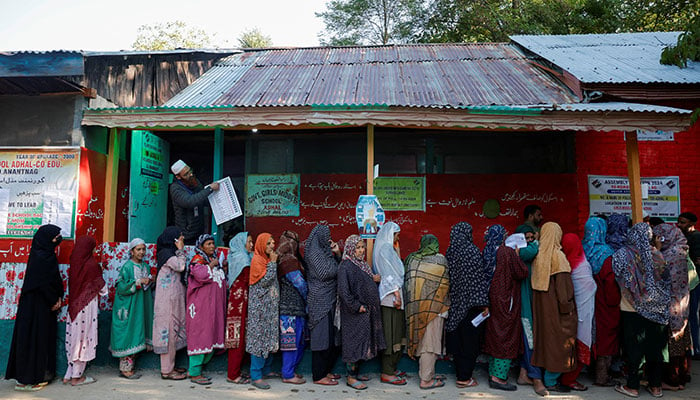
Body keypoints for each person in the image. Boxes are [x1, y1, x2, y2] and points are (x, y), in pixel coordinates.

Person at [612, 223, 670, 398]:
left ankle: (632, 386)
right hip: (658, 308)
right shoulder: (657, 255)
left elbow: (617, 276)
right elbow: (666, 280)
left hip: (632, 308)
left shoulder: (622, 255)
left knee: (634, 348)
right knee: (656, 348)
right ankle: (656, 386)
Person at [6, 224, 63, 391]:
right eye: (55, 237)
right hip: (41, 306)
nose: (57, 240)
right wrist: (54, 300)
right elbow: (45, 283)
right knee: (38, 340)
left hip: (31, 306)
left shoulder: (38, 255)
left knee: (28, 339)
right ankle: (34, 378)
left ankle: (24, 378)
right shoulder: (45, 257)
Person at [530, 222, 577, 393]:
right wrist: (569, 310)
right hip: (558, 311)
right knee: (559, 343)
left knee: (546, 342)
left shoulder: (538, 255)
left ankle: (546, 378)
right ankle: (551, 381)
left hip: (542, 310)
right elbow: (564, 292)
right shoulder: (558, 256)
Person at [337, 235, 385, 391]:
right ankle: (351, 377)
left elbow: (365, 281)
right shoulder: (345, 266)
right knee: (353, 344)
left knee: (363, 342)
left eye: (362, 247)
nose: (361, 250)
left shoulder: (362, 264)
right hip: (354, 313)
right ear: (350, 249)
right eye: (357, 247)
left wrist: (373, 279)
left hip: (365, 312)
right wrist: (357, 307)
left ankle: (356, 373)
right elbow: (344, 292)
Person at [483, 225, 528, 392]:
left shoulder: (487, 250)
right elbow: (522, 272)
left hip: (490, 299)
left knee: (496, 335)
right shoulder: (506, 252)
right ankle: (499, 378)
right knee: (506, 336)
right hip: (506, 299)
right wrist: (517, 256)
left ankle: (493, 373)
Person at [445, 222, 489, 389]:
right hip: (472, 305)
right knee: (470, 342)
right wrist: (484, 304)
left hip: (455, 303)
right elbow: (479, 279)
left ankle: (460, 374)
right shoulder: (472, 251)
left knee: (458, 340)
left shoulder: (450, 251)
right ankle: (465, 378)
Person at [404, 234, 449, 390]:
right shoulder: (441, 260)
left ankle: (428, 373)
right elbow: (445, 285)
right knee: (430, 344)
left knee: (423, 341)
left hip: (416, 309)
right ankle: (426, 380)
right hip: (435, 309)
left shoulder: (412, 259)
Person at [582, 216, 619, 387]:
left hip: (585, 301)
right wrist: (616, 302)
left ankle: (588, 368)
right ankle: (602, 375)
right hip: (604, 302)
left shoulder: (581, 250)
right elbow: (610, 282)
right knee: (606, 336)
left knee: (589, 333)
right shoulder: (606, 254)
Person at [63, 235, 106, 386]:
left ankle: (69, 373)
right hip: (87, 308)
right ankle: (77, 377)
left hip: (74, 307)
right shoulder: (92, 265)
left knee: (74, 339)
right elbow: (103, 290)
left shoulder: (75, 262)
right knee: (83, 339)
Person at [653, 223, 691, 390]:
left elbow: (659, 274)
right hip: (681, 305)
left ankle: (672, 379)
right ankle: (681, 376)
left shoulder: (669, 254)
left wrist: (656, 250)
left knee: (671, 344)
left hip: (671, 305)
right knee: (680, 342)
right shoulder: (681, 250)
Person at [186, 234, 227, 385]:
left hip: (213, 308)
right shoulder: (198, 261)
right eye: (208, 244)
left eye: (212, 243)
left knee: (211, 335)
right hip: (200, 307)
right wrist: (210, 266)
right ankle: (195, 372)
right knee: (200, 336)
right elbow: (201, 275)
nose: (211, 246)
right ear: (201, 246)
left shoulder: (214, 261)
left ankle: (198, 370)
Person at [110, 238, 153, 379]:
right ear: (132, 251)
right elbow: (121, 286)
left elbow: (146, 286)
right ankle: (125, 368)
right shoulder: (127, 267)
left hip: (140, 306)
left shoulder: (145, 266)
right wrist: (138, 282)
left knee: (137, 332)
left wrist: (149, 281)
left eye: (143, 249)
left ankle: (130, 366)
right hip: (129, 306)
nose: (141, 252)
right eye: (138, 249)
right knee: (128, 333)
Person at [305, 225, 342, 385]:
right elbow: (326, 273)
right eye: (326, 236)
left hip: (330, 300)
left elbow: (338, 268)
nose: (329, 239)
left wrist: (338, 253)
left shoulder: (325, 253)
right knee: (321, 338)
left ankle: (325, 371)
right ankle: (318, 375)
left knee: (330, 338)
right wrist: (336, 263)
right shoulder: (314, 254)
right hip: (319, 301)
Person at [560, 233, 596, 392]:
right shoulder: (582, 264)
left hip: (571, 313)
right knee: (581, 343)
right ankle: (570, 379)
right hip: (584, 313)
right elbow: (590, 287)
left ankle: (566, 377)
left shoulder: (565, 263)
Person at [513, 223, 547, 396]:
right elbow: (530, 251)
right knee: (529, 339)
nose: (529, 241)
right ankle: (536, 377)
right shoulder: (521, 252)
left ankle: (523, 374)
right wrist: (537, 242)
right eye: (525, 238)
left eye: (531, 238)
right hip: (523, 304)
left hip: (528, 301)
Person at [373, 221, 407, 385]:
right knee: (391, 333)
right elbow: (389, 275)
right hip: (391, 297)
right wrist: (396, 295)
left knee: (395, 331)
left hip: (393, 295)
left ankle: (391, 368)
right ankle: (387, 372)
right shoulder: (386, 249)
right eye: (396, 234)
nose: (398, 237)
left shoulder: (388, 249)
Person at [152, 227, 187, 381]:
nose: (182, 240)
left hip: (173, 300)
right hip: (167, 302)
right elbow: (180, 266)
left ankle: (171, 366)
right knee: (168, 334)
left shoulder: (169, 254)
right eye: (180, 238)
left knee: (173, 332)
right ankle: (167, 370)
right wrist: (180, 250)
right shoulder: (167, 255)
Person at [246, 233, 280, 390]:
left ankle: (266, 370)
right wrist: (273, 264)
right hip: (260, 311)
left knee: (269, 338)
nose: (272, 245)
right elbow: (266, 282)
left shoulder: (266, 260)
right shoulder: (258, 261)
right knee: (259, 341)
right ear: (261, 245)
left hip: (269, 309)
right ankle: (256, 375)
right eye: (268, 244)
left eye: (273, 242)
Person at [277, 230, 308, 384]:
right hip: (289, 309)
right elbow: (299, 283)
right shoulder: (287, 261)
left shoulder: (291, 259)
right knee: (290, 343)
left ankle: (291, 371)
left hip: (296, 308)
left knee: (298, 342)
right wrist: (309, 297)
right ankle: (287, 374)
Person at [169, 159, 220, 245]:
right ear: (178, 177)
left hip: (199, 230)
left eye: (190, 171)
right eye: (186, 174)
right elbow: (190, 202)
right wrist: (210, 189)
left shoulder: (194, 182)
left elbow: (202, 199)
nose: (191, 174)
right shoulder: (175, 188)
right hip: (186, 234)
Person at [225, 232, 253, 384]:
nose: (251, 245)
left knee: (240, 337)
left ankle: (237, 371)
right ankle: (232, 374)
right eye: (249, 242)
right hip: (239, 304)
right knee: (237, 338)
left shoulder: (238, 256)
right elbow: (250, 279)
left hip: (238, 303)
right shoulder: (242, 258)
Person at [678, 212, 700, 358]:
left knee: (691, 314)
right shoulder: (685, 237)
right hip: (690, 281)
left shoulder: (695, 238)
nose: (679, 225)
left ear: (691, 224)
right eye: (679, 222)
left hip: (693, 281)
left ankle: (695, 349)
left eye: (683, 222)